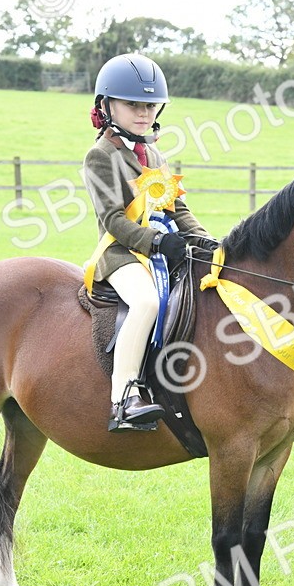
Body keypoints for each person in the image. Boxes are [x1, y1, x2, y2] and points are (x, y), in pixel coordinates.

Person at [83, 53, 213, 432]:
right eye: (132, 104)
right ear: (106, 106)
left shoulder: (153, 153)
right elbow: (113, 220)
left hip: (162, 248)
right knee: (145, 301)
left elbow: (177, 209)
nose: (143, 112)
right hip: (121, 254)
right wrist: (156, 244)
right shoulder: (100, 157)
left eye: (150, 105)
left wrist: (207, 242)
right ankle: (123, 398)